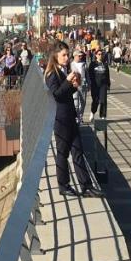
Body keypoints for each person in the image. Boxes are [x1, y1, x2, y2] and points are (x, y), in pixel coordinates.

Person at [43, 42, 98, 197]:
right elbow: (56, 95)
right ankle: (64, 185)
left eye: (68, 55)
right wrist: (68, 82)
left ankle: (86, 185)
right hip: (60, 119)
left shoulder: (62, 70)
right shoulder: (51, 74)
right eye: (64, 55)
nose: (67, 58)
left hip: (69, 116)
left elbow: (65, 93)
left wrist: (74, 85)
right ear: (55, 56)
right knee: (63, 153)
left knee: (78, 151)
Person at [86, 48, 111, 120]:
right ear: (96, 55)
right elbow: (90, 74)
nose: (100, 55)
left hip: (103, 85)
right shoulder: (93, 64)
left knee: (103, 101)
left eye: (101, 54)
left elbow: (107, 75)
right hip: (95, 85)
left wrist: (108, 84)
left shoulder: (105, 64)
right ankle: (92, 112)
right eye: (99, 54)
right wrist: (89, 84)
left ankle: (103, 116)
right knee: (95, 100)